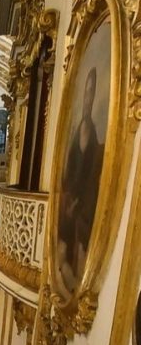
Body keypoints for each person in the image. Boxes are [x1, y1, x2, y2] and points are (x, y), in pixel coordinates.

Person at [58, 66, 104, 292]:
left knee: (78, 236)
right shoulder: (77, 132)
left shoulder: (93, 133)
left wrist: (75, 199)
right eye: (85, 92)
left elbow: (89, 173)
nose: (87, 98)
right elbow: (68, 170)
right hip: (72, 196)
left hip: (82, 198)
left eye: (90, 92)